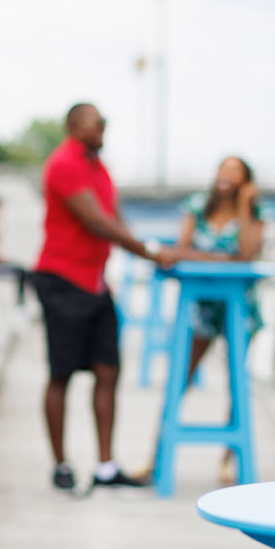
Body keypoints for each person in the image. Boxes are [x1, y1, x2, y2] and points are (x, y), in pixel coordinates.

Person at [30, 102, 173, 491]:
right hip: (60, 279)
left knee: (108, 370)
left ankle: (106, 467)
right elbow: (95, 221)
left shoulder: (100, 168)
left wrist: (148, 252)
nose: (104, 130)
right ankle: (61, 464)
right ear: (76, 126)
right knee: (61, 374)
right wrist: (148, 252)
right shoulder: (64, 164)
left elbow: (116, 218)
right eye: (98, 124)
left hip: (94, 283)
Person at [174, 155, 267, 384]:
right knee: (185, 368)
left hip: (239, 300)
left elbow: (246, 255)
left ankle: (234, 417)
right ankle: (165, 419)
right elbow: (180, 250)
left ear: (246, 180)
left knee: (237, 375)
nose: (227, 174)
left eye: (235, 171)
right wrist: (223, 258)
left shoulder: (256, 212)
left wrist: (245, 206)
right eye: (223, 169)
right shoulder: (198, 205)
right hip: (201, 299)